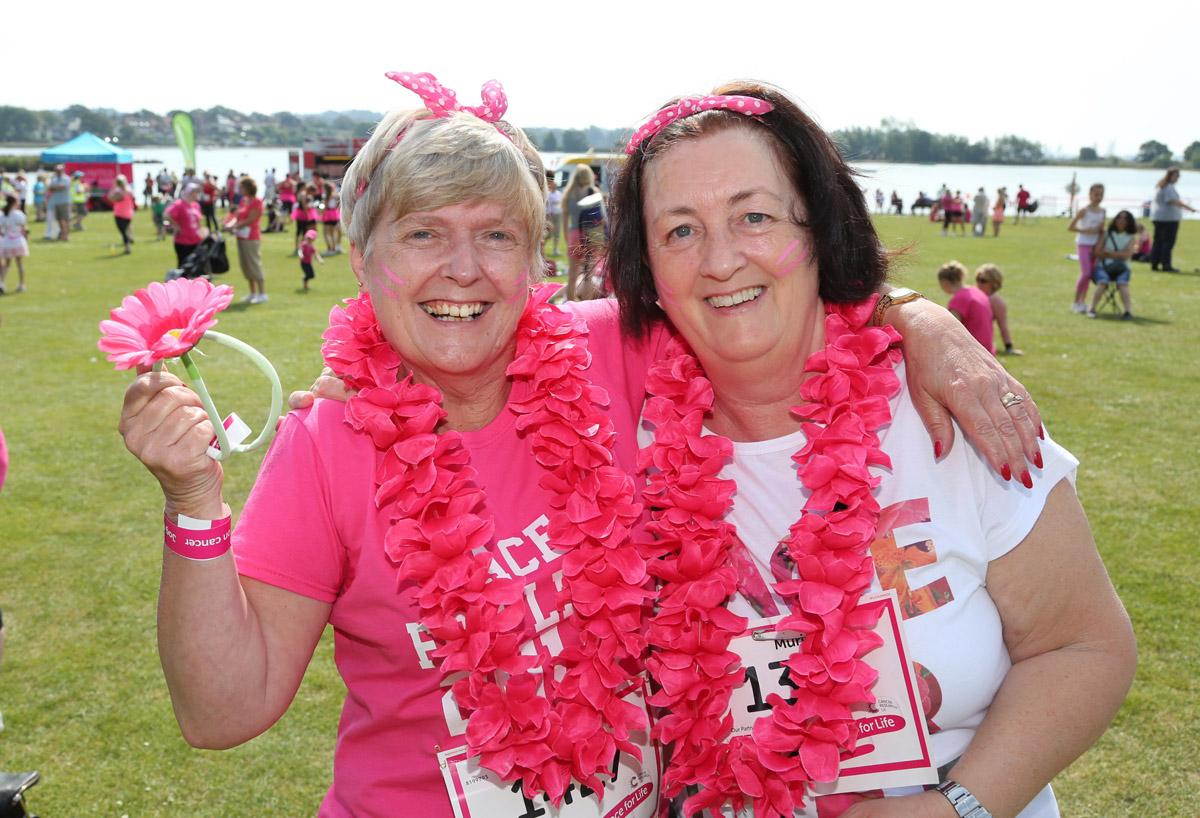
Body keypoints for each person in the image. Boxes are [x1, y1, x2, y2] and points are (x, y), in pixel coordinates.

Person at [123, 72, 1046, 818]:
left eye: (495, 235)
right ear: (365, 261)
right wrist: (192, 506)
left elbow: (747, 292)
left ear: (539, 264)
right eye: (422, 235)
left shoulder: (615, 350)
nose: (462, 269)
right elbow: (221, 713)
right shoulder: (326, 445)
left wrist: (919, 319)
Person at [607, 80, 1133, 817]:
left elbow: (1084, 648)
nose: (722, 259)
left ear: (816, 231)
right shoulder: (622, 443)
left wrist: (955, 808)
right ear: (650, 273)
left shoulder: (951, 408)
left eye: (754, 216)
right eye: (680, 231)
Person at [1088, 209, 1137, 320]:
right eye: (1119, 218)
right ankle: (1091, 309)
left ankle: (1128, 312)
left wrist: (1108, 253)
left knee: (1122, 283)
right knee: (1103, 282)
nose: (1122, 221)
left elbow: (1126, 255)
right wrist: (1118, 254)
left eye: (1125, 219)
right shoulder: (1106, 234)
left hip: (1122, 268)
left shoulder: (1131, 237)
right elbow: (1097, 251)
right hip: (1103, 267)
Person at [938, 260, 995, 353]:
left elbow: (951, 330)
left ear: (945, 283)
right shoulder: (977, 291)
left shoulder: (959, 300)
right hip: (988, 349)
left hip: (975, 352)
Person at [224, 176, 266, 303]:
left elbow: (251, 219)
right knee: (246, 265)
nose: (240, 189)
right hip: (241, 236)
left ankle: (262, 293)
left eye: (242, 187)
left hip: (251, 237)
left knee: (254, 264)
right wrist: (230, 224)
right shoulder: (243, 200)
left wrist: (235, 226)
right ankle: (252, 293)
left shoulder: (257, 202)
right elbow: (238, 217)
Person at [561, 163, 599, 299]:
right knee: (589, 274)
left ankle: (570, 302)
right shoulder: (593, 192)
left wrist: (567, 238)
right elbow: (601, 218)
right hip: (590, 235)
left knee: (572, 275)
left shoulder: (568, 194)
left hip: (573, 235)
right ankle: (586, 305)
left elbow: (565, 221)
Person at [1149, 166, 1196, 272]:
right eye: (1177, 175)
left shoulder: (1162, 186)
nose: (1178, 178)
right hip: (1168, 219)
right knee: (1167, 242)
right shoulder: (1168, 187)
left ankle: (1155, 263)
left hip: (1159, 218)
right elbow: (1172, 200)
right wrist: (1189, 208)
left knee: (1158, 241)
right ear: (1171, 175)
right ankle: (1166, 265)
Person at [1067, 183, 1105, 313]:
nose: (1098, 197)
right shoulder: (1084, 211)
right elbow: (1070, 227)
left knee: (1089, 275)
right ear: (1090, 195)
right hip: (1083, 244)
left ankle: (1082, 301)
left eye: (1101, 194)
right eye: (1096, 194)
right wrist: (1085, 230)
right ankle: (1075, 301)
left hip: (1095, 246)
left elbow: (1101, 231)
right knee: (1086, 273)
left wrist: (1099, 244)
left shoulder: (1102, 212)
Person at [975, 264, 1022, 354]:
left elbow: (1002, 326)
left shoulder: (996, 301)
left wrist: (1009, 347)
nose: (979, 284)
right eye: (977, 279)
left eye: (983, 281)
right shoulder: (973, 294)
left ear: (994, 283)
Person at [164, 183, 206, 268]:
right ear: (189, 193)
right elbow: (167, 214)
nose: (197, 194)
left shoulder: (196, 205)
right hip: (183, 241)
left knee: (195, 267)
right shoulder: (179, 204)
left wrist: (202, 232)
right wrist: (175, 225)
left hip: (196, 241)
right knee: (184, 266)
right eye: (195, 192)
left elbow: (198, 222)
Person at [0, 195, 29, 294]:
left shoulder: (3, 215)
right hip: (17, 240)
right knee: (19, 264)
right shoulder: (18, 214)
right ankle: (21, 284)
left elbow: (1, 231)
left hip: (7, 241)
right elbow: (24, 229)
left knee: (7, 264)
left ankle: (2, 283)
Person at [108, 175, 137, 255]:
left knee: (123, 231)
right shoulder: (129, 190)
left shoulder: (118, 191)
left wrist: (113, 187)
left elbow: (111, 198)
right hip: (128, 214)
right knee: (126, 230)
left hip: (119, 213)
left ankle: (127, 247)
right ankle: (129, 242)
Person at [47, 166, 71, 241]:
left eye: (59, 170)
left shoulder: (66, 178)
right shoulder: (54, 179)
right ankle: (62, 233)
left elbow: (62, 187)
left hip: (64, 201)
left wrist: (55, 187)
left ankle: (65, 235)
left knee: (65, 219)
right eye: (56, 170)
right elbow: (50, 188)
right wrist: (56, 187)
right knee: (59, 219)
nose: (58, 171)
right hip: (56, 202)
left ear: (63, 170)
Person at [545, 175, 563, 256]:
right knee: (549, 233)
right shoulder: (548, 194)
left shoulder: (559, 194)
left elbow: (561, 204)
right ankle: (541, 245)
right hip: (551, 215)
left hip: (558, 215)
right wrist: (548, 215)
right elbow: (547, 205)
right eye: (553, 185)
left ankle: (555, 249)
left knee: (557, 233)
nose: (554, 186)